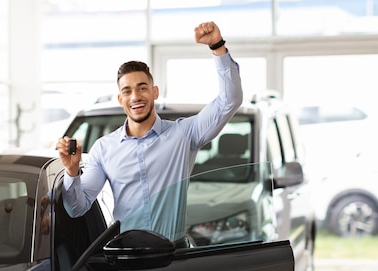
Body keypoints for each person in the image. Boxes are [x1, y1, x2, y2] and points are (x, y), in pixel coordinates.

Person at [56, 21, 243, 244]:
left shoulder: (183, 135)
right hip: (126, 257)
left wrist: (217, 46)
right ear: (120, 99)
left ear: (154, 92)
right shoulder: (104, 149)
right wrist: (72, 171)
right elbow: (77, 208)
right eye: (127, 91)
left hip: (173, 255)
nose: (136, 96)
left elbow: (229, 100)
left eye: (142, 88)